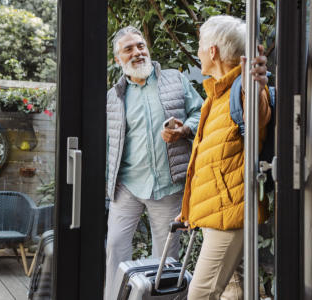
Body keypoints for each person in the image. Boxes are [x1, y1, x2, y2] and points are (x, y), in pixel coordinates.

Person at [174, 15, 271, 299]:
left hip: (229, 215)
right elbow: (211, 162)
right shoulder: (217, 95)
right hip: (218, 211)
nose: (199, 51)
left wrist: (256, 83)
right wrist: (192, 209)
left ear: (213, 51)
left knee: (201, 293)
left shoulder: (243, 90)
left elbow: (258, 114)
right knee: (233, 290)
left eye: (201, 45)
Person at [105, 26, 203, 299]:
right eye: (129, 49)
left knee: (166, 260)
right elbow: (110, 144)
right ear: (118, 60)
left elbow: (200, 113)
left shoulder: (175, 80)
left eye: (140, 46)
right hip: (127, 186)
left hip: (167, 185)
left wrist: (184, 129)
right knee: (114, 248)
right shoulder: (113, 97)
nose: (137, 52)